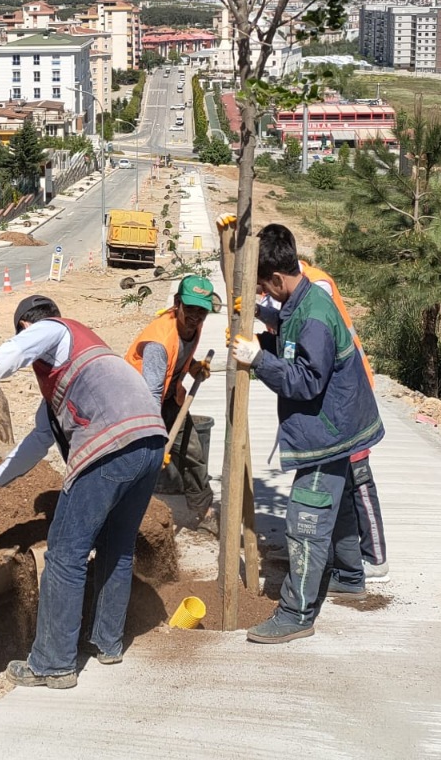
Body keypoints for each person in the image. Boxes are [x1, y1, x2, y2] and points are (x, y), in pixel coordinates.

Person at [0, 294, 167, 687]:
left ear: (27, 325)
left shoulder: (51, 329)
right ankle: (108, 644)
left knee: (64, 553)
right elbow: (35, 444)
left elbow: (11, 353)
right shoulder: (80, 366)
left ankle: (53, 663)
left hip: (111, 443)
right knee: (117, 545)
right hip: (150, 442)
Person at [234, 226, 384, 645]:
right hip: (342, 426)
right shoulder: (302, 301)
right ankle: (350, 576)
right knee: (339, 514)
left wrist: (258, 361)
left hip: (328, 435)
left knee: (307, 519)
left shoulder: (315, 315)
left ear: (278, 278)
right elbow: (289, 325)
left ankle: (296, 613)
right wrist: (264, 318)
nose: (266, 294)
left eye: (265, 288)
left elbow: (305, 382)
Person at [126, 274, 218, 516]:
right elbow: (151, 392)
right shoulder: (159, 341)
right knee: (139, 460)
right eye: (190, 309)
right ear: (177, 303)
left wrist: (193, 366)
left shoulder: (193, 325)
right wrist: (155, 439)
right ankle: (129, 514)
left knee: (194, 453)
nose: (196, 317)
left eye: (202, 311)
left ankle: (203, 511)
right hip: (137, 404)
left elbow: (175, 360)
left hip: (169, 398)